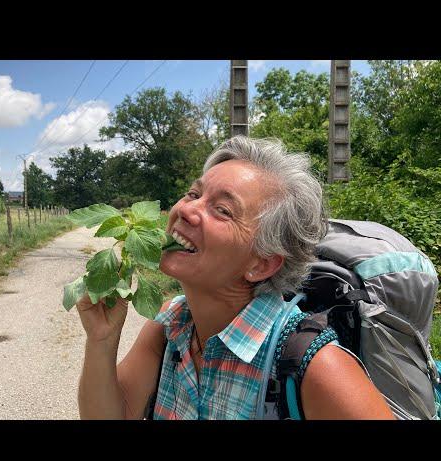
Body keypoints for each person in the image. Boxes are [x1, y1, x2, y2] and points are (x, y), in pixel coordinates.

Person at [76, 136, 394, 420]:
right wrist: (101, 341)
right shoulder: (169, 326)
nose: (187, 210)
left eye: (223, 210)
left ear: (262, 264)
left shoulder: (316, 367)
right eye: (193, 193)